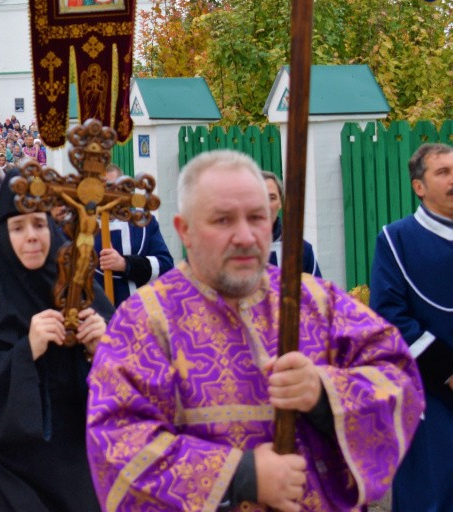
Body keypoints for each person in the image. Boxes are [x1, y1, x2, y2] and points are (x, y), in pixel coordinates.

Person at [88, 150, 423, 512]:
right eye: (223, 220)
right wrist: (241, 475)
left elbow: (399, 377)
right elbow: (117, 439)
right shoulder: (143, 322)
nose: (245, 236)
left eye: (257, 217)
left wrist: (325, 394)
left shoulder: (317, 302)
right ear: (184, 230)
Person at [0, 173, 107, 510]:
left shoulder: (81, 288)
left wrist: (103, 349)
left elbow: (139, 380)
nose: (31, 236)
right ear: (3, 234)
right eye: (18, 227)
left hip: (76, 464)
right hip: (5, 469)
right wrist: (25, 351)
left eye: (39, 224)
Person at [371, 142, 453, 510]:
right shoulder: (396, 239)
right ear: (419, 186)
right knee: (431, 496)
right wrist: (447, 371)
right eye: (443, 172)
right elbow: (390, 316)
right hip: (426, 392)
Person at [93, 164, 175, 306]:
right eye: (101, 189)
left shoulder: (142, 222)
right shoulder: (78, 226)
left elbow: (166, 266)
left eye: (112, 188)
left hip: (138, 311)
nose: (107, 196)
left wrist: (125, 264)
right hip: (94, 314)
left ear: (124, 190)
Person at [263, 171, 321, 276]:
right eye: (260, 197)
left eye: (272, 198)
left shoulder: (301, 250)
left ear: (280, 203)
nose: (266, 205)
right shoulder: (235, 250)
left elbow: (316, 286)